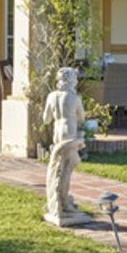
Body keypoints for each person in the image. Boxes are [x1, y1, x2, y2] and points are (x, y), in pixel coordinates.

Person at [41, 66, 85, 225]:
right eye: (75, 79)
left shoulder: (52, 96)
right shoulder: (74, 98)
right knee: (67, 168)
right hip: (70, 135)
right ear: (71, 81)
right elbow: (82, 118)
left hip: (57, 136)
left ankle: (59, 200)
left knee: (58, 168)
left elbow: (46, 119)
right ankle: (63, 202)